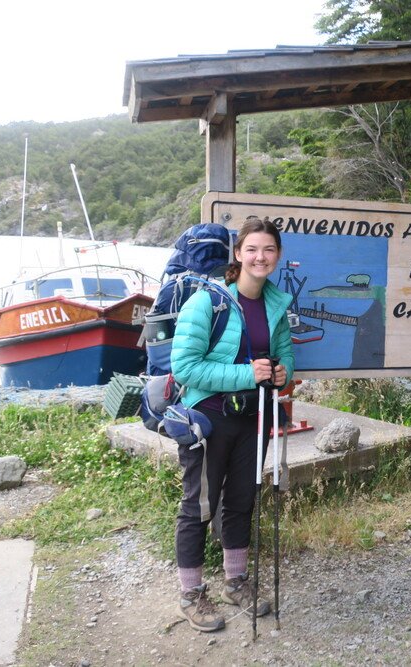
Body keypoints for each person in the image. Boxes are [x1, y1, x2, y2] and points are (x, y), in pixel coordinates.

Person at [170, 215, 293, 632]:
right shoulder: (207, 302)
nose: (261, 257)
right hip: (209, 419)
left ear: (277, 256)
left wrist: (282, 374)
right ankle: (191, 594)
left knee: (241, 500)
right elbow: (184, 367)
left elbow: (284, 354)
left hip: (252, 417)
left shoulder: (275, 302)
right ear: (238, 255)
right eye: (253, 249)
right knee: (199, 506)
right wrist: (250, 375)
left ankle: (235, 582)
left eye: (269, 249)